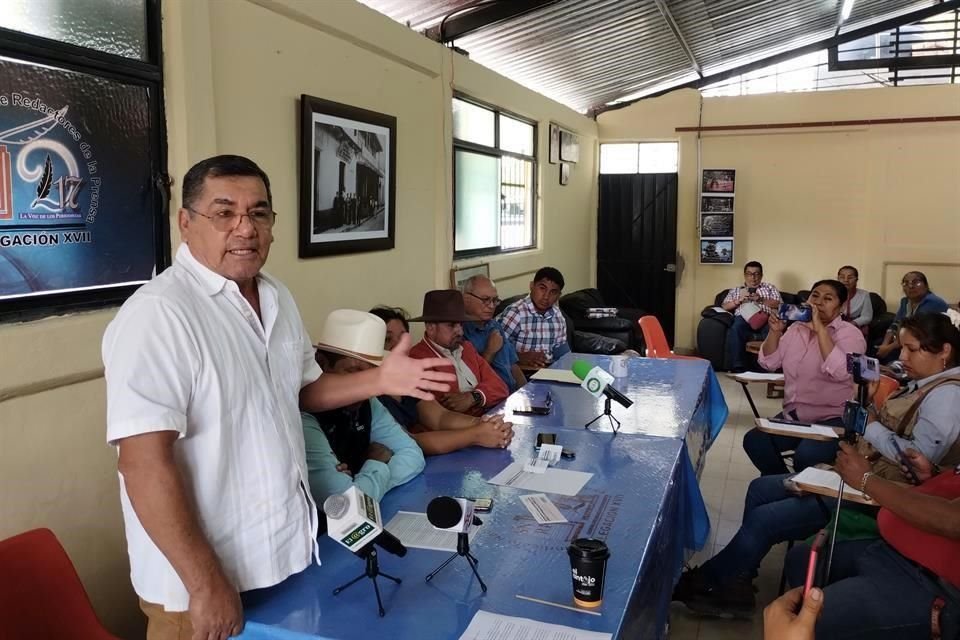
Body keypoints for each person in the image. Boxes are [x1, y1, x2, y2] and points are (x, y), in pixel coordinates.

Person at [102, 155, 453, 640]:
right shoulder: (158, 316)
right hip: (201, 585)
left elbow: (304, 390)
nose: (244, 228)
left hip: (281, 558)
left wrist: (380, 381)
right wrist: (205, 584)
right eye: (224, 213)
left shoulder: (276, 297)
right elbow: (142, 465)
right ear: (186, 223)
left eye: (259, 213)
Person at [673, 313, 960, 618]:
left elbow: (916, 462)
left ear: (944, 350)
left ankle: (709, 581)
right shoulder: (921, 384)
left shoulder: (947, 396)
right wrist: (868, 407)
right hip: (858, 475)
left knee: (766, 519)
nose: (902, 356)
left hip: (878, 496)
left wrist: (870, 424)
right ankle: (740, 576)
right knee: (760, 488)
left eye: (912, 349)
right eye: (902, 347)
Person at [782, 443, 960, 639]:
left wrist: (867, 480)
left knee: (807, 625)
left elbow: (953, 520)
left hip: (929, 582)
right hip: (890, 551)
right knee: (801, 560)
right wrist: (934, 474)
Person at [742, 279, 867, 476]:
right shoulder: (796, 329)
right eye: (814, 296)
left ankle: (797, 490)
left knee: (806, 457)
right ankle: (782, 482)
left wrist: (820, 331)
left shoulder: (852, 335)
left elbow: (843, 371)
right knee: (755, 441)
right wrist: (775, 333)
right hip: (795, 416)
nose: (818, 303)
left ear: (841, 306)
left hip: (834, 419)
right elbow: (769, 363)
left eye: (828, 299)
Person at [301, 310, 425, 505]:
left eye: (372, 375)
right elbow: (345, 503)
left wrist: (360, 480)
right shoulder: (304, 416)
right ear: (321, 364)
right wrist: (376, 463)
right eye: (353, 372)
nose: (364, 385)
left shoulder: (369, 403)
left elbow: (413, 455)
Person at [369, 305, 515, 455]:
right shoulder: (370, 390)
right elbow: (410, 441)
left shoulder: (406, 377)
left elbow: (439, 416)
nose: (399, 346)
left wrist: (484, 423)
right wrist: (476, 434)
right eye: (387, 340)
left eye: (404, 338)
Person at [409, 290, 509, 415]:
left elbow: (500, 387)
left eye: (461, 325)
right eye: (451, 325)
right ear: (430, 328)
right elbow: (449, 408)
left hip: (486, 419)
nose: (460, 332)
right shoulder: (418, 358)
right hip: (456, 430)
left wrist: (473, 397)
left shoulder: (466, 348)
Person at [460, 275, 527, 392]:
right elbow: (471, 380)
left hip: (513, 396)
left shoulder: (494, 325)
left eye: (495, 300)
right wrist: (489, 352)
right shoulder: (459, 332)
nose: (491, 306)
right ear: (466, 298)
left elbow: (514, 367)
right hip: (490, 401)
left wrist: (527, 392)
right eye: (485, 300)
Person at [498, 266, 570, 369]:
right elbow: (497, 350)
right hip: (523, 371)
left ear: (559, 295)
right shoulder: (516, 312)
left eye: (553, 292)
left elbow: (562, 353)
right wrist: (520, 356)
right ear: (532, 286)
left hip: (549, 371)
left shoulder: (558, 316)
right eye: (542, 288)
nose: (546, 296)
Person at [721, 261, 782, 373]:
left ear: (761, 275)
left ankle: (766, 366)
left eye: (756, 274)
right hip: (743, 319)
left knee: (773, 330)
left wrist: (760, 299)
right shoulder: (736, 290)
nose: (753, 278)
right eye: (749, 274)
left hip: (765, 318)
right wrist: (737, 301)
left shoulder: (769, 288)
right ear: (745, 275)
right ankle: (738, 367)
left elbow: (779, 304)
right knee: (736, 328)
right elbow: (724, 306)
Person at [877, 271, 949, 363]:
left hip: (929, 341)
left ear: (926, 286)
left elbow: (915, 331)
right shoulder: (905, 301)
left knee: (890, 354)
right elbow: (896, 323)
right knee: (877, 345)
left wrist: (889, 348)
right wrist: (885, 344)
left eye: (916, 282)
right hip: (908, 339)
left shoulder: (932, 302)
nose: (910, 286)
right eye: (906, 283)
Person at [836, 265, 873, 333]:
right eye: (842, 277)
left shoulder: (864, 294)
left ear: (856, 280)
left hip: (854, 327)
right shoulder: (831, 294)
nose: (846, 280)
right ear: (838, 279)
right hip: (835, 326)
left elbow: (867, 317)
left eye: (850, 277)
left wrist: (852, 323)